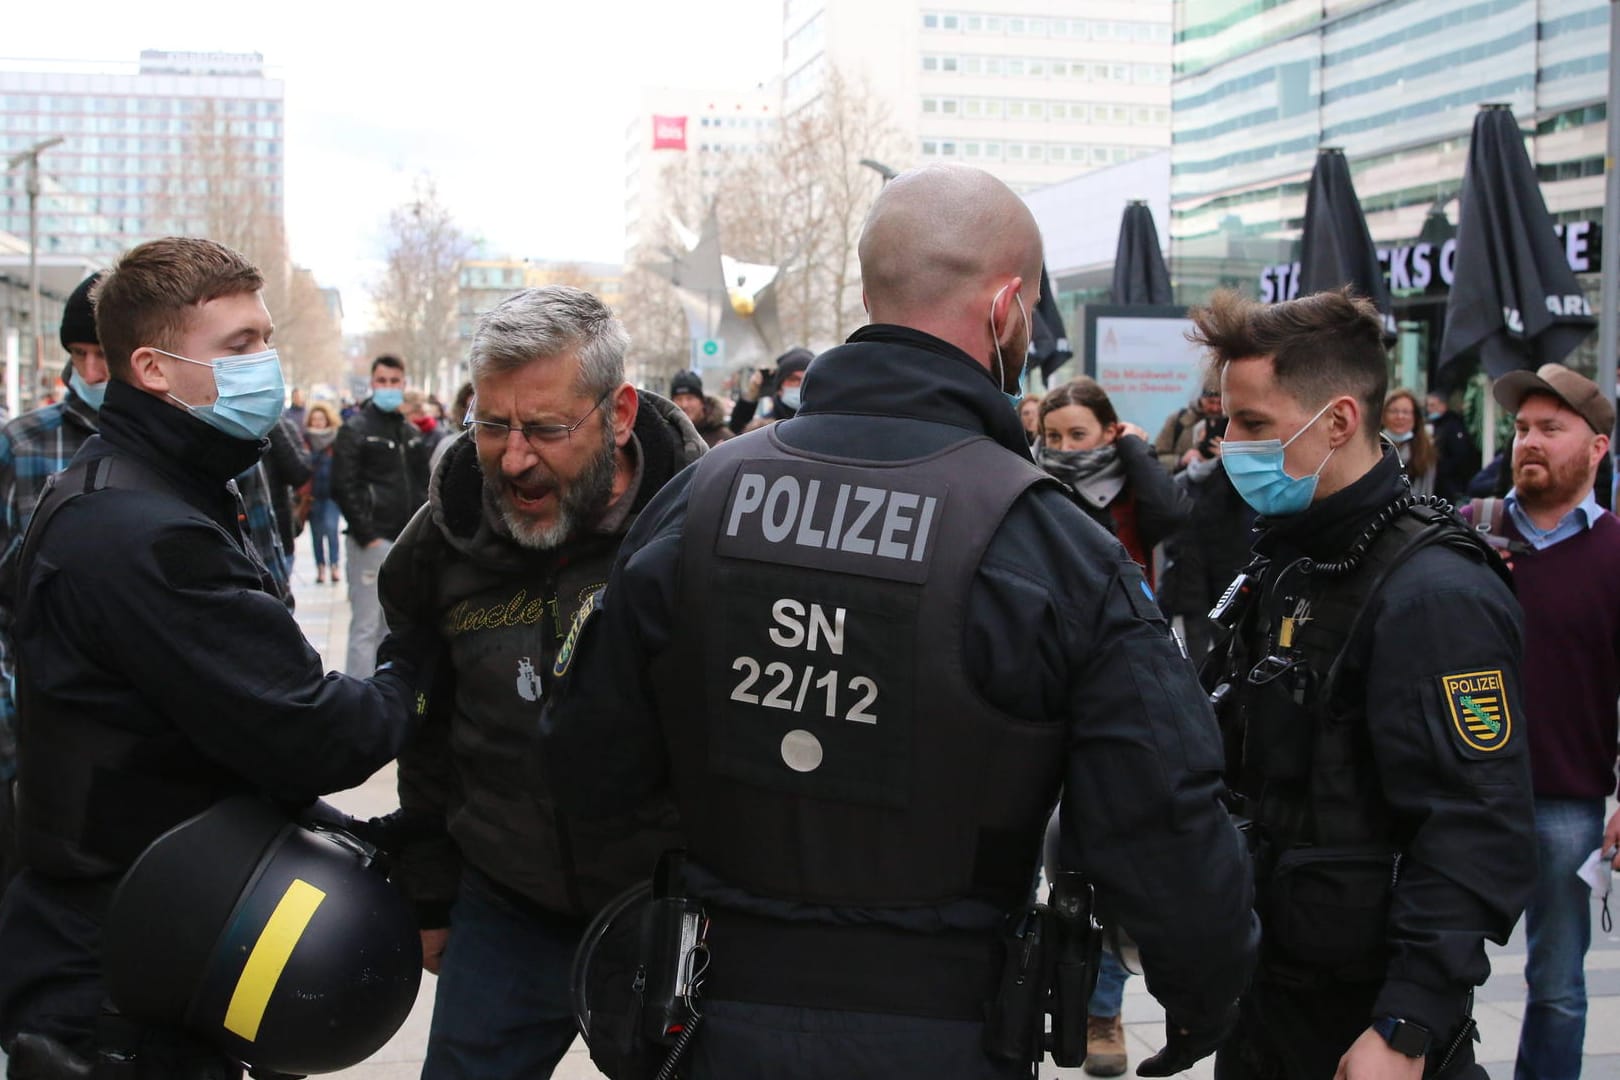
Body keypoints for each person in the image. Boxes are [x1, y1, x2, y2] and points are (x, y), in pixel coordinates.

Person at [539, 164, 1256, 1080]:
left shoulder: (702, 500)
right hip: (949, 1028)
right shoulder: (1051, 543)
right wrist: (1205, 995)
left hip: (716, 1018)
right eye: (1031, 314)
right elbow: (1158, 816)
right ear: (1005, 310)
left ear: (872, 294)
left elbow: (587, 763)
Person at [0, 237, 437, 1073]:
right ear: (153, 368)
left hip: (153, 932)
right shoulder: (146, 533)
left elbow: (198, 734)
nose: (263, 365)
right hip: (116, 972)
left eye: (265, 340)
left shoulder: (146, 485)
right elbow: (313, 732)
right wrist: (412, 666)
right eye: (237, 347)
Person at [1194, 286, 1534, 1079]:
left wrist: (1407, 1024)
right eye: (1225, 422)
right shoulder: (1289, 556)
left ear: (1339, 420)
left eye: (1252, 425)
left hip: (1370, 1029)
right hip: (1268, 997)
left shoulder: (1437, 593)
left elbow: (1475, 822)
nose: (1229, 444)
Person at [379, 286, 703, 1080]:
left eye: (547, 429)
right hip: (505, 900)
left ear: (619, 413)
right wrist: (428, 890)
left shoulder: (709, 524)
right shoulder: (441, 541)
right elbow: (425, 726)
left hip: (674, 908)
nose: (515, 458)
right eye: (492, 426)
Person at [1471, 365, 1620, 1080]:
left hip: (1567, 801)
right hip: (1460, 793)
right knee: (1430, 965)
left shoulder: (1617, 552)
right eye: (1523, 428)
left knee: (1557, 987)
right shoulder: (1469, 532)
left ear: (1596, 449)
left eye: (1551, 430)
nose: (1528, 441)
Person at [0, 273, 108, 891]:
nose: (89, 373)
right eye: (78, 356)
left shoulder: (195, 453)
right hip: (36, 738)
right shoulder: (24, 443)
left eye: (102, 355)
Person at [1036, 376, 1185, 587]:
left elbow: (1172, 512)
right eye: (1053, 436)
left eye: (1077, 435)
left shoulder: (1131, 484)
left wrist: (1135, 450)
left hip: (1124, 614)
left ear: (1109, 432)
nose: (1064, 447)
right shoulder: (1034, 484)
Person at [332, 355, 429, 674]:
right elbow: (343, 485)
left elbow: (422, 485)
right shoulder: (356, 429)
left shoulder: (410, 432)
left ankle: (386, 697)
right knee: (366, 627)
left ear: (404, 384)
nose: (388, 387)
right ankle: (359, 701)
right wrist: (367, 535)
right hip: (373, 542)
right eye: (382, 381)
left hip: (405, 542)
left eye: (394, 381)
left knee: (392, 627)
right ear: (373, 383)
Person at [728, 347, 810, 433]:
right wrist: (751, 396)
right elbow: (736, 433)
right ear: (779, 388)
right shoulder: (765, 427)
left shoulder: (823, 422)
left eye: (806, 378)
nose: (801, 384)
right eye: (793, 379)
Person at [304, 402, 342, 584]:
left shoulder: (335, 439)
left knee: (331, 529)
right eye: (315, 419)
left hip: (332, 495)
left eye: (321, 419)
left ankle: (334, 565)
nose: (318, 422)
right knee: (317, 534)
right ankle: (320, 568)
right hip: (313, 496)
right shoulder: (305, 440)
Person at [1153, 374, 1223, 472]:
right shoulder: (1179, 420)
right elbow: (1154, 459)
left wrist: (1227, 457)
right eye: (1211, 402)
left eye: (1220, 403)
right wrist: (1180, 461)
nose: (1215, 408)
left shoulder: (1235, 424)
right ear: (1201, 399)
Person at [1427, 390, 1479, 503]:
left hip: (1450, 486)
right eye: (1428, 405)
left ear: (1443, 405)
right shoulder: (1435, 426)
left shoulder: (1453, 426)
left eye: (1433, 405)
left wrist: (1442, 470)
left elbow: (1461, 455)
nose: (1429, 409)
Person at [1383, 387, 1436, 497]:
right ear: (1383, 416)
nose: (1400, 417)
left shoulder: (1425, 451)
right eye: (1394, 411)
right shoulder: (1370, 447)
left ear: (1415, 417)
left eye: (1406, 412)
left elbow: (1428, 492)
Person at [670, 369, 732, 448]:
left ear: (702, 402)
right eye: (679, 399)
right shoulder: (667, 436)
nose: (684, 405)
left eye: (690, 398)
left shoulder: (724, 438)